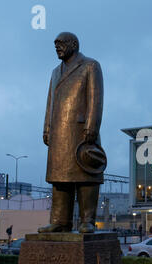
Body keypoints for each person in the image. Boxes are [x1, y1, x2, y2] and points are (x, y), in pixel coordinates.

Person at [38, 32, 106, 234]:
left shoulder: (90, 66)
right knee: (60, 178)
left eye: (60, 44)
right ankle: (60, 220)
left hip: (81, 131)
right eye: (55, 44)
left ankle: (87, 220)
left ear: (73, 44)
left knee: (86, 174)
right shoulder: (54, 72)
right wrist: (47, 128)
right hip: (59, 133)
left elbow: (96, 98)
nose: (57, 47)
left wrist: (92, 126)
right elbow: (50, 102)